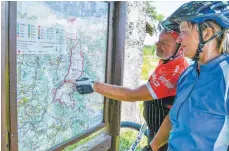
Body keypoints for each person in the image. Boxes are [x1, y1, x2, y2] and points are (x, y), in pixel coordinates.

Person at [68, 23, 189, 151]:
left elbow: (133, 95)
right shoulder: (169, 61)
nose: (157, 45)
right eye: (158, 40)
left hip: (165, 140)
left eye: (165, 43)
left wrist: (95, 86)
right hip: (156, 132)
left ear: (180, 48)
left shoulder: (175, 73)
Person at [150, 1, 229, 151]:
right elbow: (173, 118)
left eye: (183, 31)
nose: (179, 39)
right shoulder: (187, 74)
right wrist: (151, 147)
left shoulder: (226, 77)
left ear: (207, 34)